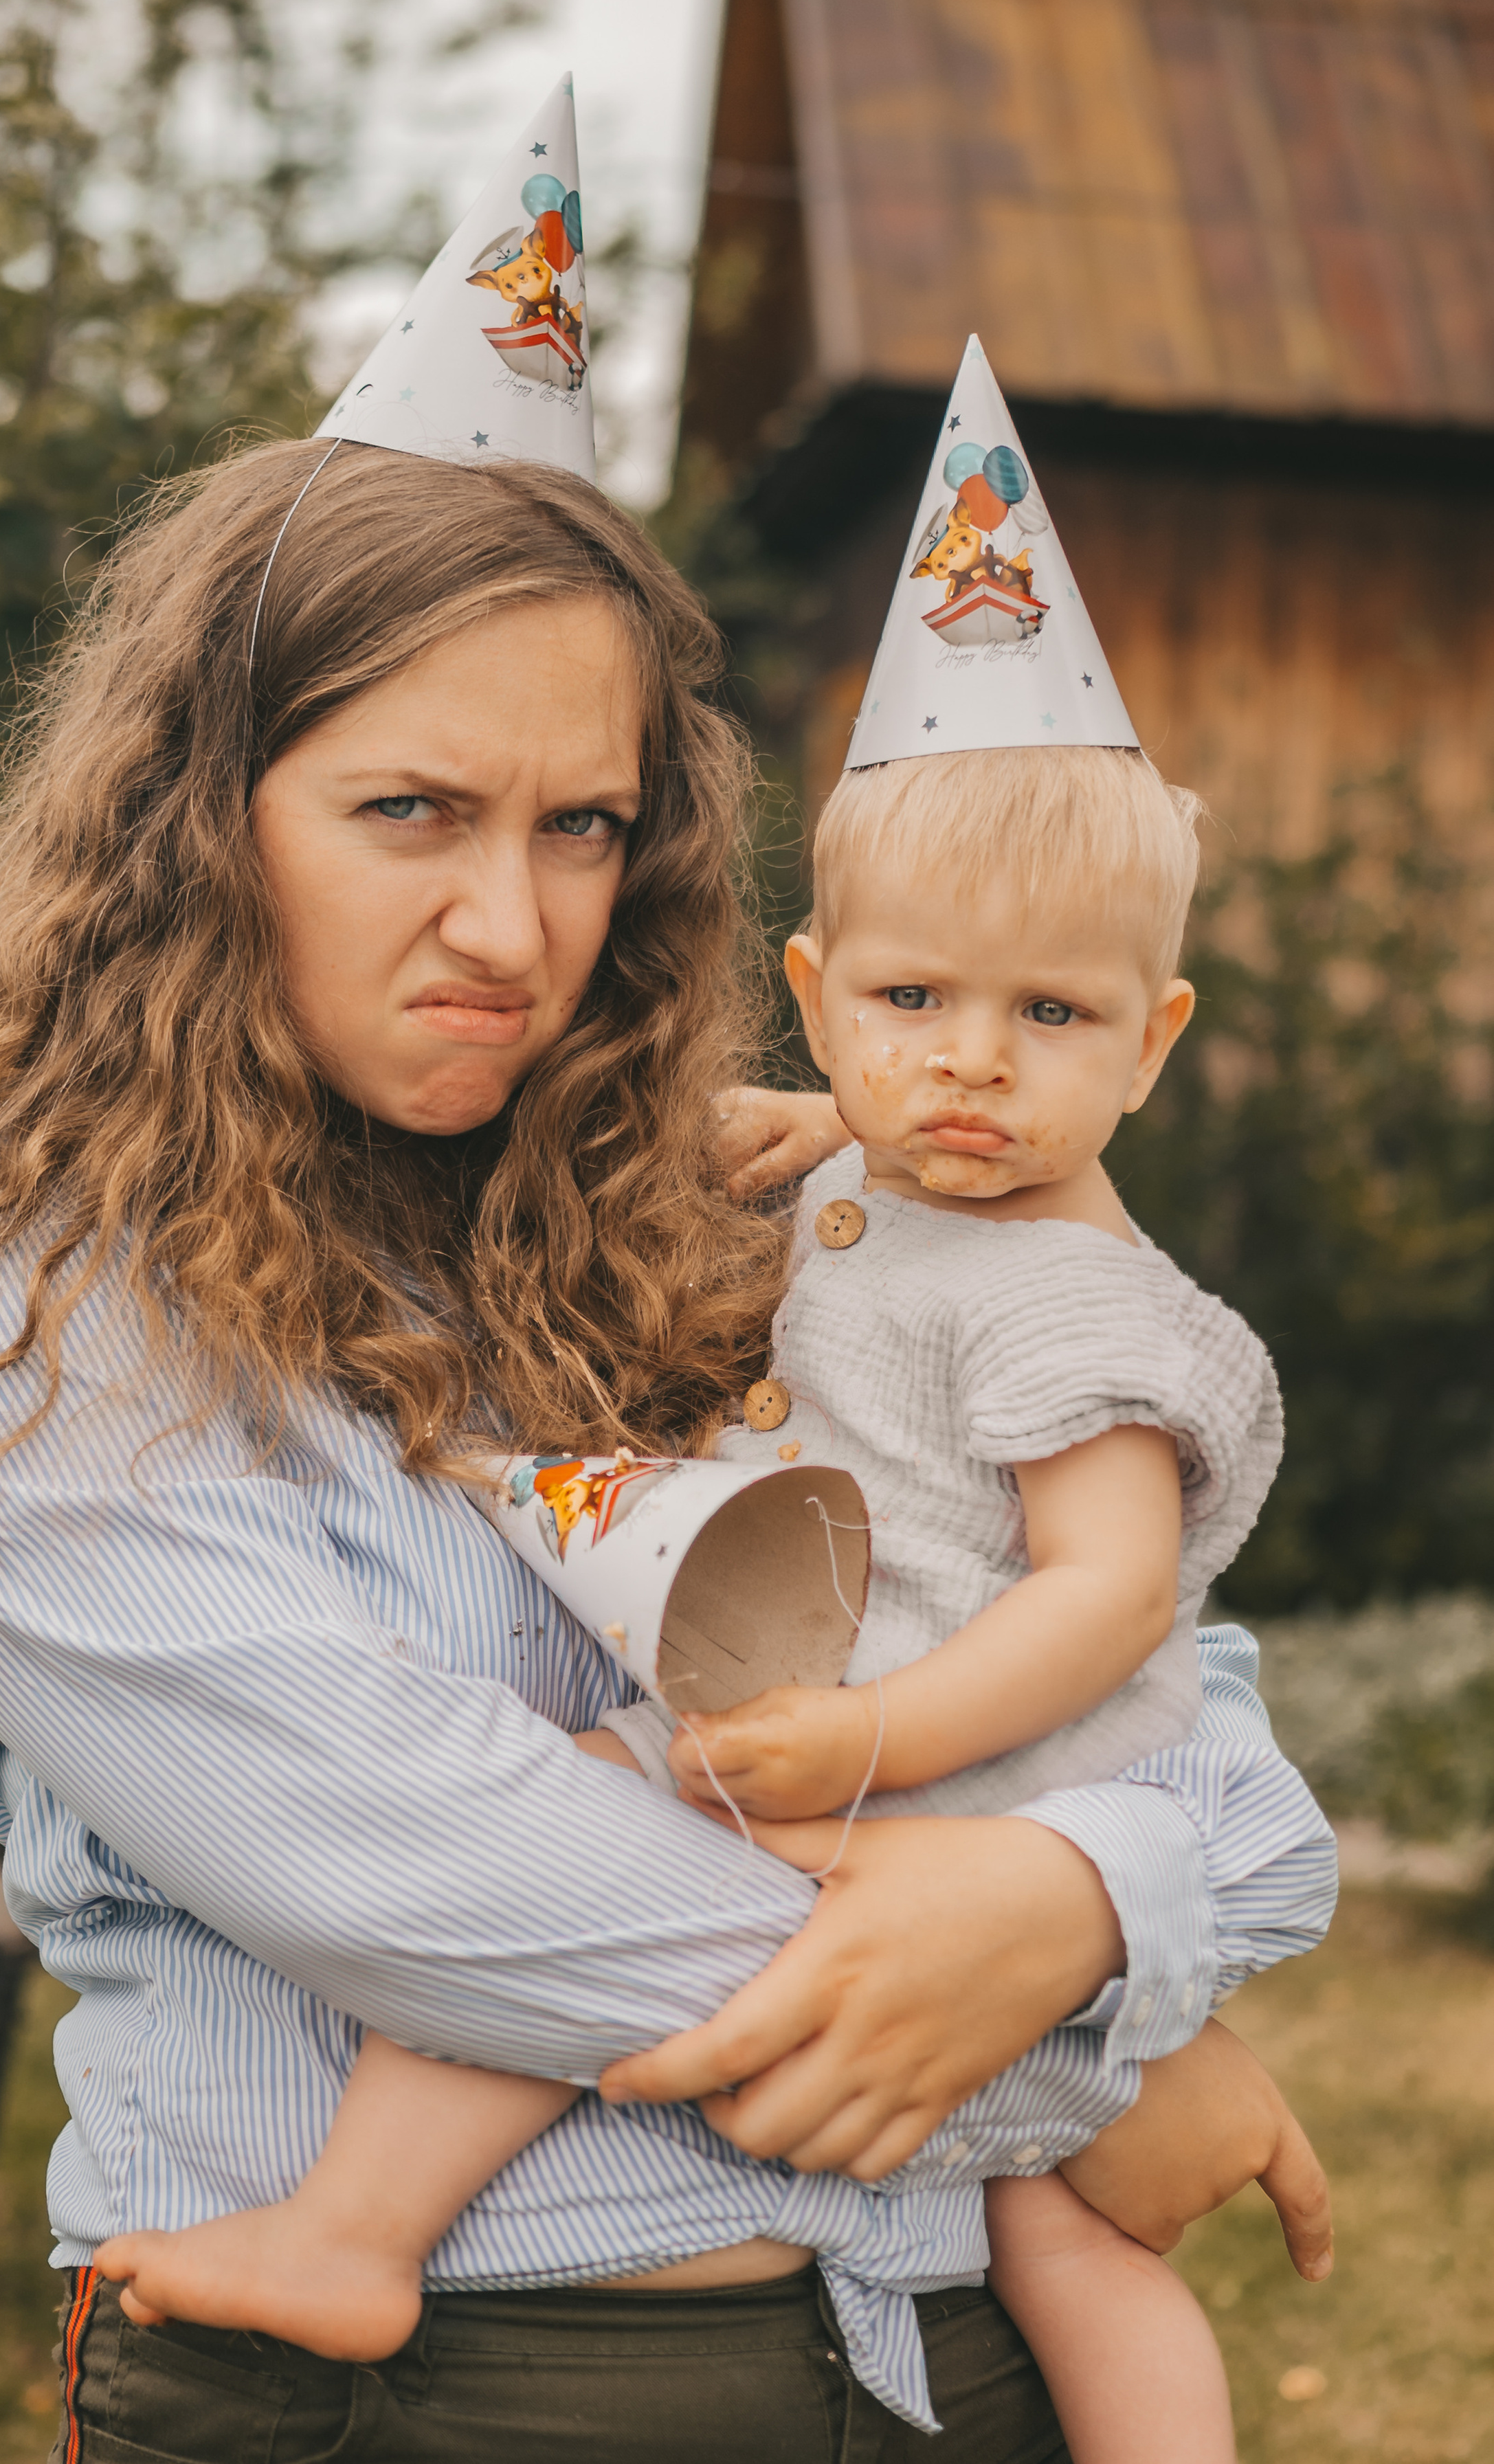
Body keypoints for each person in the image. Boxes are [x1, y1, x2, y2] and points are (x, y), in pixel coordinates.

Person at [0, 439, 1336, 2463]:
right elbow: (452, 1874)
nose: (508, 924)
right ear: (192, 824)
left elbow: (1175, 1686)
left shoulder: (707, 1217)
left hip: (947, 2357)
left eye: (581, 825)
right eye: (408, 808)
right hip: (433, 2401)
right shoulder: (37, 1339)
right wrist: (1092, 2028)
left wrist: (1095, 1902)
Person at [92, 738, 1283, 2464]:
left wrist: (875, 1741)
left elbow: (1111, 1596)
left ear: (1150, 1041)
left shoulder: (1079, 1309)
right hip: (916, 1759)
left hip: (920, 1738)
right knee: (1063, 2232)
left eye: (1050, 1016)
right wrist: (836, 1126)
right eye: (909, 999)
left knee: (563, 1827)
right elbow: (901, 1164)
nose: (966, 1061)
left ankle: (351, 2230)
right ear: (815, 998)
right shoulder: (901, 1171)